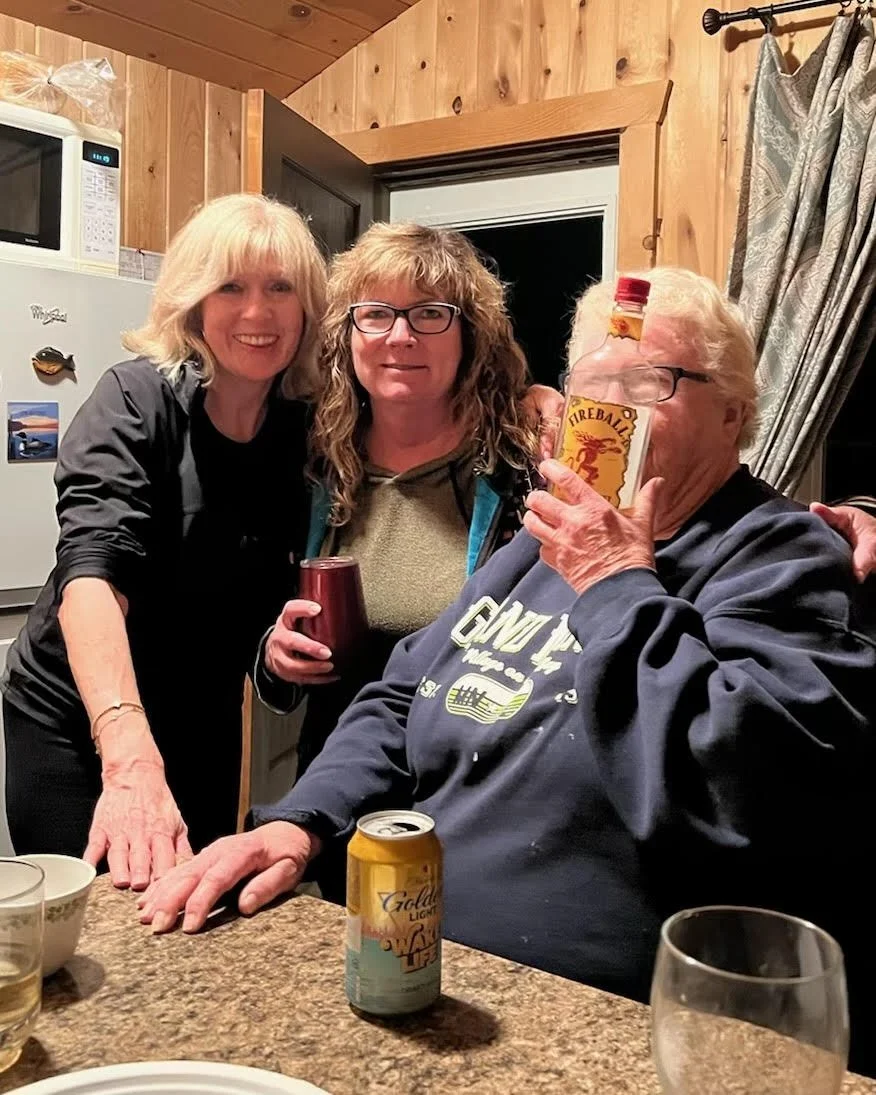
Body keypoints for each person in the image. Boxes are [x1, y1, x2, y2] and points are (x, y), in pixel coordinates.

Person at [139, 266, 876, 1067]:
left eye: (650, 381)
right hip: (411, 967)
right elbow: (400, 694)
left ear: (733, 413)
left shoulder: (781, 555)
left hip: (589, 1027)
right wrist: (301, 819)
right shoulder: (545, 540)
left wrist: (617, 582)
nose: (613, 410)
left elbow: (735, 791)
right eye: (594, 383)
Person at [1, 193, 326, 888]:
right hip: (81, 720)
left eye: (280, 288)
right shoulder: (134, 400)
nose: (258, 313)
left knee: (192, 910)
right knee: (94, 926)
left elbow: (261, 599)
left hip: (202, 714)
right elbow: (89, 576)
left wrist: (274, 651)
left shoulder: (306, 431)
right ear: (193, 302)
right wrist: (129, 756)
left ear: (307, 307)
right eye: (230, 286)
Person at [252, 223, 542, 805]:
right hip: (338, 784)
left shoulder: (524, 472)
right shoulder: (308, 464)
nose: (401, 337)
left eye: (431, 314)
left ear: (469, 335)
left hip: (477, 790)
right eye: (376, 313)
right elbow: (255, 609)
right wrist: (274, 653)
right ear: (347, 334)